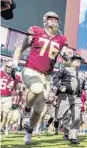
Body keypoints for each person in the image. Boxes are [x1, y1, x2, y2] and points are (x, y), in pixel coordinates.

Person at [11, 11, 68, 145]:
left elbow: (65, 57)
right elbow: (20, 48)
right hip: (31, 69)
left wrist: (66, 57)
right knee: (36, 88)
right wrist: (14, 66)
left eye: (56, 19)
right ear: (45, 20)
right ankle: (25, 111)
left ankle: (29, 132)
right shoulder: (36, 31)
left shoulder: (61, 39)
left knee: (39, 109)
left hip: (47, 75)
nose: (53, 21)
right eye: (50, 19)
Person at [53, 54, 86, 144]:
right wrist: (60, 87)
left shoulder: (82, 74)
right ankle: (64, 127)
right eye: (76, 61)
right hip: (65, 96)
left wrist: (81, 92)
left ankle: (73, 136)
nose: (78, 63)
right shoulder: (65, 70)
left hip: (76, 97)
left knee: (76, 117)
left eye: (80, 61)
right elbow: (55, 78)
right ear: (71, 62)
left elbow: (83, 86)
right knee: (61, 116)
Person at [0, 60, 21, 136]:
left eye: (10, 67)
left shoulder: (15, 76)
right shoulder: (0, 72)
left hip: (8, 97)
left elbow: (18, 88)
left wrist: (16, 84)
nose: (8, 68)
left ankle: (2, 129)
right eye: (7, 66)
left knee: (5, 116)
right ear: (4, 66)